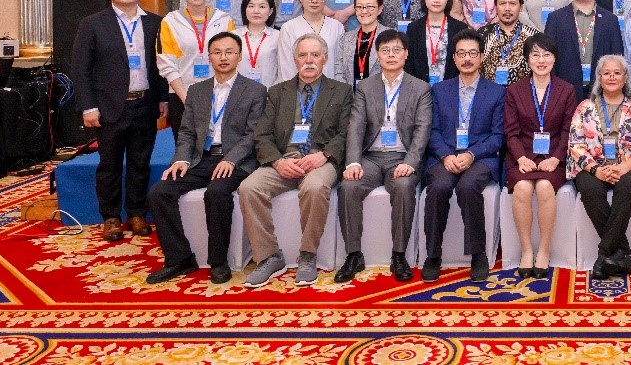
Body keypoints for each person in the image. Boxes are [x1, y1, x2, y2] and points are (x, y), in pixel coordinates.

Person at [146, 32, 266, 285]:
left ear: (239, 57)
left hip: (236, 160)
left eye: (229, 52)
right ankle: (180, 258)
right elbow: (187, 132)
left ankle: (218, 261)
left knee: (217, 192)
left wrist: (231, 160)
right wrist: (181, 159)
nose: (223, 57)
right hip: (201, 158)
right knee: (159, 192)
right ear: (209, 57)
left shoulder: (255, 90)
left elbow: (253, 134)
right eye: (217, 52)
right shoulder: (197, 90)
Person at [240, 34, 353, 288]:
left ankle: (308, 255)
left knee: (315, 187)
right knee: (249, 187)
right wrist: (278, 162)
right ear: (295, 60)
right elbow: (262, 135)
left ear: (325, 59)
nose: (309, 60)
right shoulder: (277, 92)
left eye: (315, 55)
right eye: (303, 55)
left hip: (320, 160)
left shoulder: (342, 91)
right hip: (284, 159)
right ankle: (269, 256)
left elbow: (346, 132)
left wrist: (323, 155)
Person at [71, 0, 167, 242]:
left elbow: (162, 65)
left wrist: (162, 98)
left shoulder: (156, 23)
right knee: (109, 164)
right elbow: (81, 68)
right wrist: (88, 106)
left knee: (140, 162)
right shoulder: (92, 24)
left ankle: (137, 213)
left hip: (145, 103)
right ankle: (111, 216)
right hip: (109, 106)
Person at [335, 30, 433, 284]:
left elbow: (422, 129)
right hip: (371, 156)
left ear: (406, 54)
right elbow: (356, 126)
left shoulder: (420, 88)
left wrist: (410, 163)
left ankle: (398, 255)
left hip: (402, 156)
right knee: (348, 186)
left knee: (403, 185)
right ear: (377, 55)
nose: (391, 55)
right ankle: (353, 254)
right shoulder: (366, 87)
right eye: (385, 50)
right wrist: (353, 161)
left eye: (396, 50)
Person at [422, 31, 506, 283]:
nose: (467, 58)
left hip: (480, 157)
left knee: (468, 187)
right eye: (462, 53)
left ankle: (478, 254)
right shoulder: (439, 90)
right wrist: (446, 155)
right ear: (454, 58)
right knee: (438, 186)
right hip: (445, 156)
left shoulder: (496, 92)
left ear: (481, 57)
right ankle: (433, 254)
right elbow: (432, 130)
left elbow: (498, 136)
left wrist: (471, 154)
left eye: (472, 53)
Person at [569, 55, 631, 279]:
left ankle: (604, 252)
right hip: (593, 167)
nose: (612, 77)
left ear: (625, 77)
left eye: (617, 73)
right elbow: (575, 145)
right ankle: (622, 253)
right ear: (599, 77)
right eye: (606, 73)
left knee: (626, 187)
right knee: (589, 188)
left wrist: (622, 168)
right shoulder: (585, 107)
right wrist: (596, 170)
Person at [504, 33, 579, 277]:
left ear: (554, 59)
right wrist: (520, 158)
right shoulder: (514, 91)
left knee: (545, 187)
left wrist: (556, 158)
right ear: (527, 59)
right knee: (523, 188)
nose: (541, 60)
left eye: (546, 55)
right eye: (535, 55)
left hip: (555, 156)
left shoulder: (566, 90)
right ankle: (527, 250)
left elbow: (569, 130)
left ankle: (544, 250)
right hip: (522, 155)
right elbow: (511, 131)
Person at [157, 0, 236, 142]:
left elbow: (232, 59)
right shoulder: (170, 21)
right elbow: (166, 64)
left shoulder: (224, 20)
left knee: (217, 145)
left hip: (218, 94)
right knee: (186, 146)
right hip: (181, 94)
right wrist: (188, 100)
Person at [544, 0, 624, 103]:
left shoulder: (610, 20)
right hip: (564, 94)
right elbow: (548, 57)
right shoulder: (556, 19)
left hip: (602, 93)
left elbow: (618, 58)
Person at [276, 0, 344, 81]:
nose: (314, 0)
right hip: (298, 88)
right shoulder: (288, 28)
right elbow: (285, 66)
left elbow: (340, 65)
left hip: (331, 87)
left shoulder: (337, 27)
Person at [406, 0, 468, 85]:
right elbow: (409, 64)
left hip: (451, 88)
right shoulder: (413, 28)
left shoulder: (460, 28)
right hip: (420, 89)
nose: (437, 0)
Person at [478, 0, 537, 85]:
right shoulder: (482, 34)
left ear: (521, 7)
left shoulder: (533, 36)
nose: (507, 8)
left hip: (522, 94)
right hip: (488, 93)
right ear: (495, 7)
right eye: (502, 3)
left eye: (512, 3)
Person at [334, 0, 389, 88]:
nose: (364, 11)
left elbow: (394, 72)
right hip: (350, 95)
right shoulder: (345, 39)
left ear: (380, 9)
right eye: (360, 7)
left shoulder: (391, 37)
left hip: (380, 95)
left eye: (369, 7)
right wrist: (347, 95)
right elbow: (339, 72)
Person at [236, 0, 280, 86]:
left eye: (262, 7)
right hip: (238, 92)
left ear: (270, 11)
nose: (256, 11)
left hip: (269, 92)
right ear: (244, 9)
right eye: (251, 6)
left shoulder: (278, 37)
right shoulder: (233, 36)